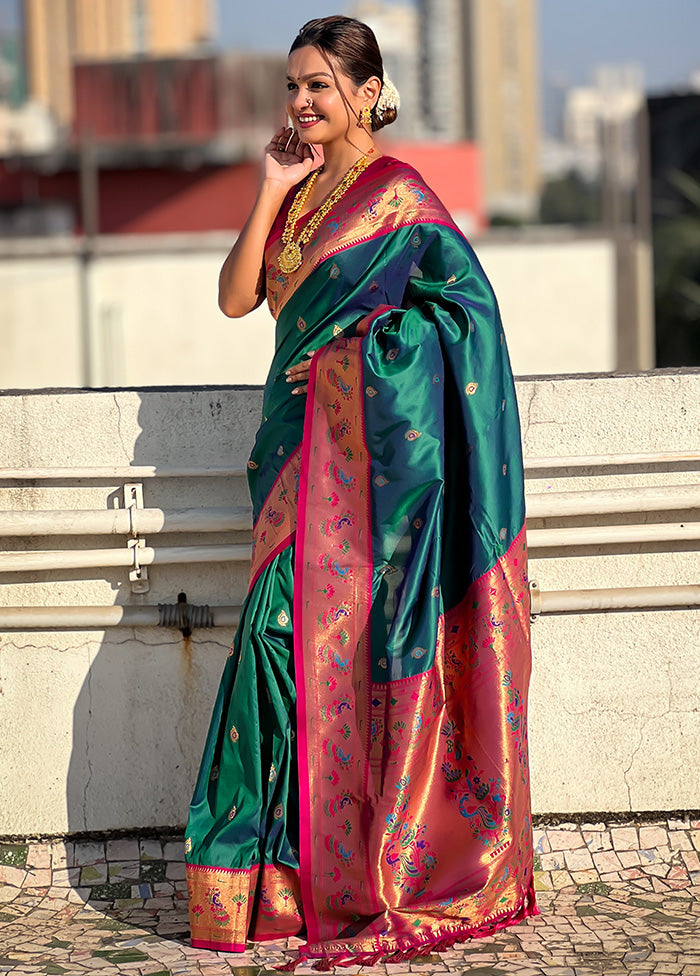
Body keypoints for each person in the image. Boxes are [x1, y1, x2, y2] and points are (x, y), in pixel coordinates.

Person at [184, 15, 537, 969]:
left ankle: (329, 871)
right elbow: (235, 297)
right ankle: (274, 885)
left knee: (300, 639)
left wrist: (354, 361)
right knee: (278, 640)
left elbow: (465, 321)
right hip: (292, 451)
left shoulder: (400, 196)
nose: (301, 103)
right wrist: (267, 187)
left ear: (366, 91)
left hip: (372, 465)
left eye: (319, 88)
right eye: (292, 86)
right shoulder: (300, 196)